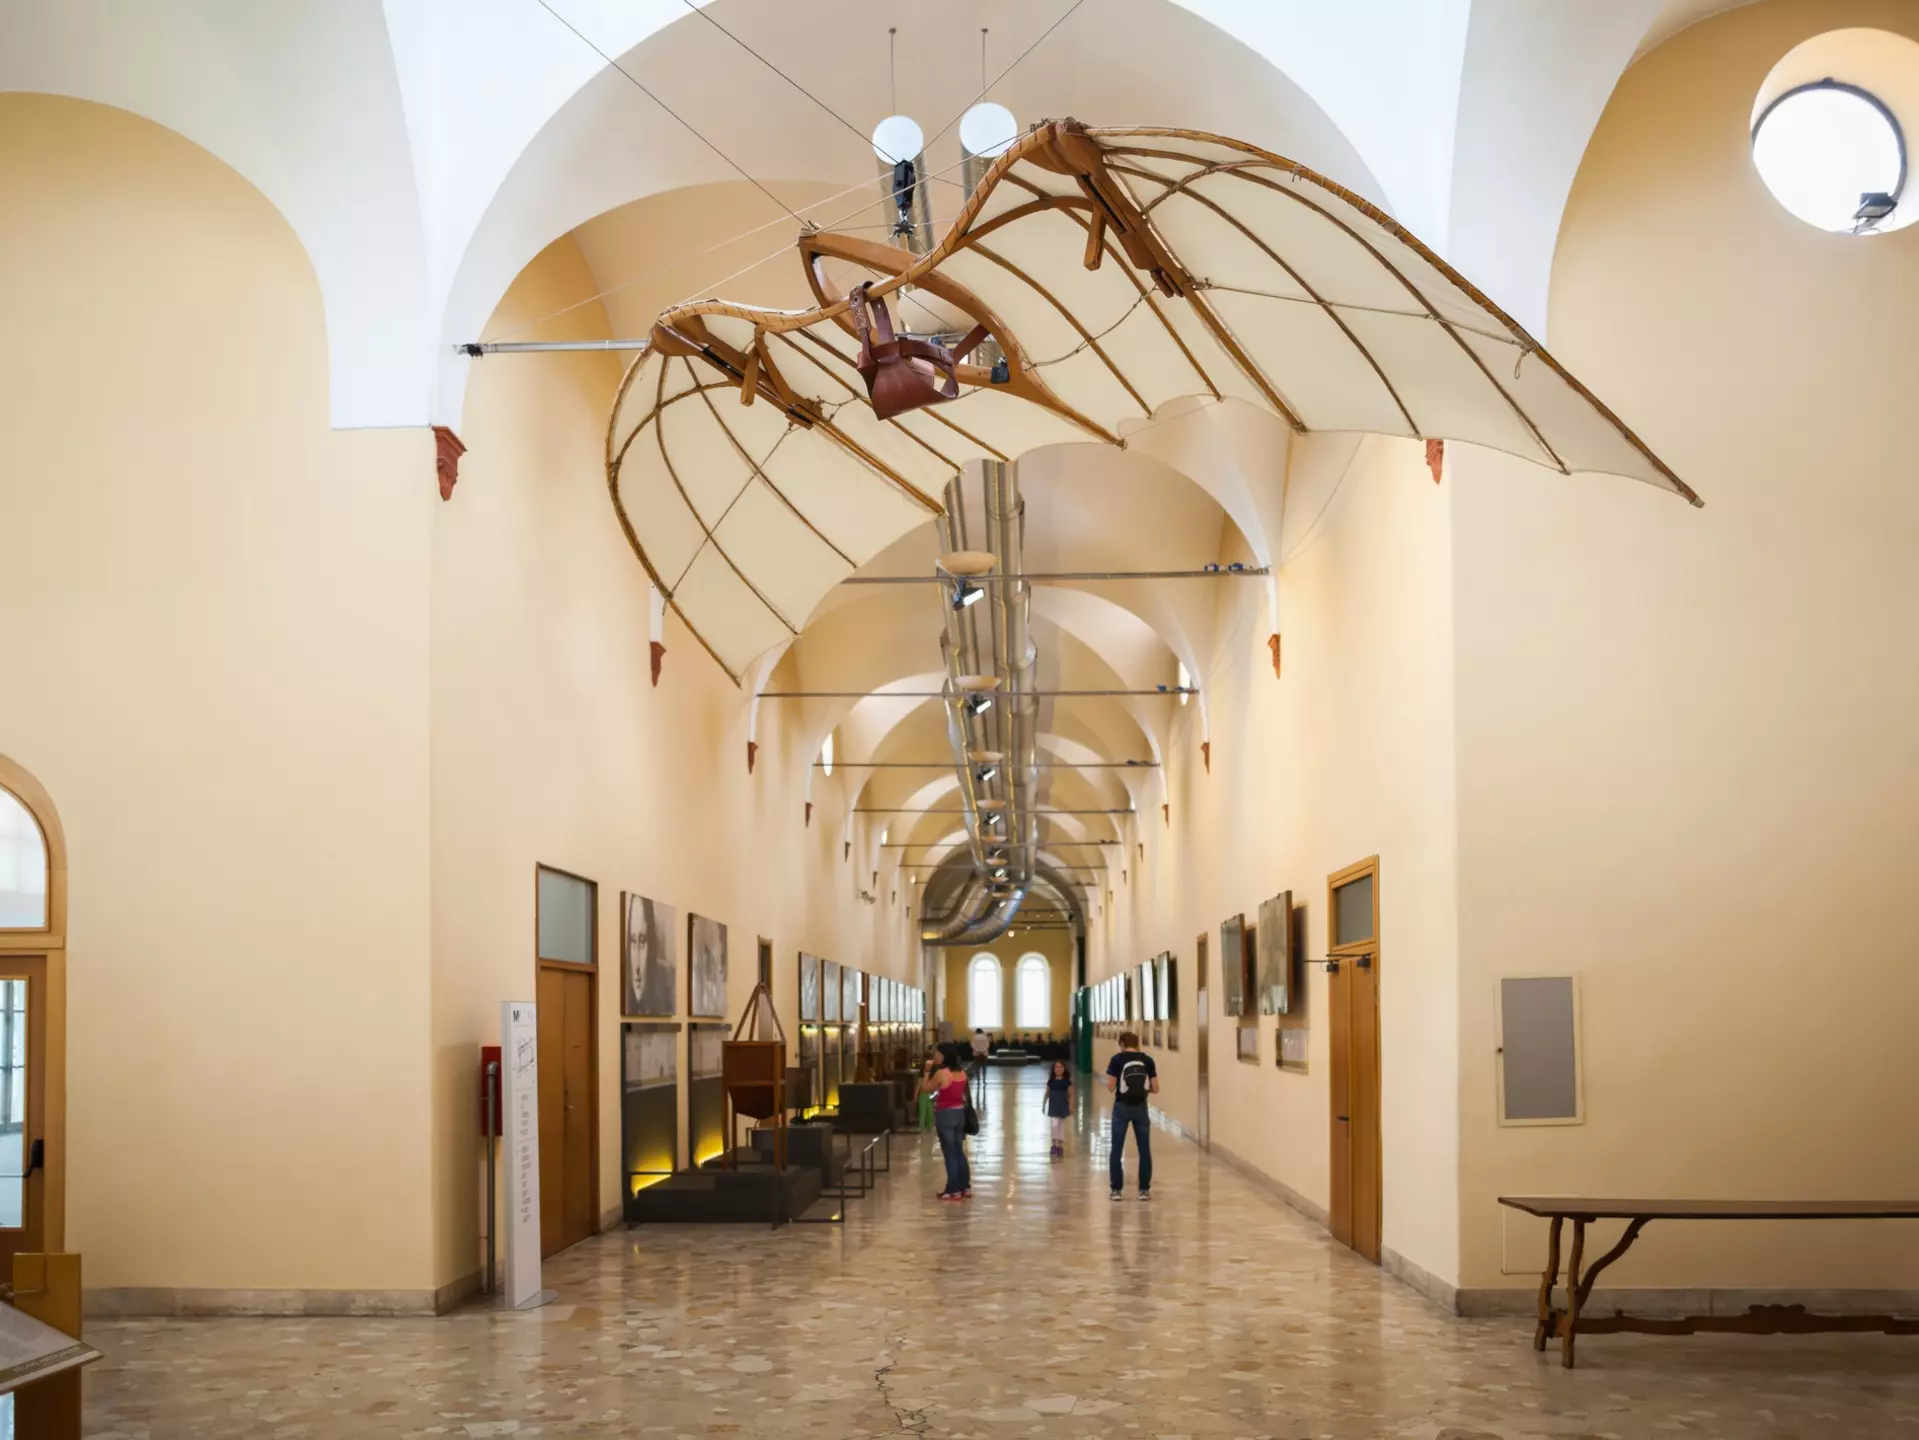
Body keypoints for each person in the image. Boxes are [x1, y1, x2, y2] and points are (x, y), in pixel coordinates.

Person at [1104, 1031, 1158, 1200]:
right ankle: (1143, 1190)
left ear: (1121, 1044)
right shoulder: (1147, 1060)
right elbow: (1156, 1088)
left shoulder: (1117, 1060)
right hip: (1141, 1107)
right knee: (1144, 1149)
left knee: (1117, 1148)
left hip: (1121, 1107)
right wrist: (1142, 1091)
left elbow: (1111, 1087)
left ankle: (1116, 1190)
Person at [920, 1044, 972, 1200]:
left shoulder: (942, 1073)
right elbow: (964, 1094)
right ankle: (965, 1187)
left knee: (949, 1152)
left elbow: (926, 1088)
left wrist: (927, 1071)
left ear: (944, 1056)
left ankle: (952, 1190)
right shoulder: (962, 1073)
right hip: (960, 1114)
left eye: (937, 1054)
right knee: (958, 1151)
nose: (935, 1056)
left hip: (945, 1115)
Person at [1042, 1059, 1073, 1159]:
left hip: (1063, 1105)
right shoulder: (1051, 1082)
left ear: (1064, 1069)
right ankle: (1054, 1143)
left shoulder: (1067, 1082)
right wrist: (1044, 1103)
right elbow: (1047, 1093)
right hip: (1053, 1106)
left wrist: (1071, 1106)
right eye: (1057, 1067)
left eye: (1061, 1067)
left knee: (1061, 1125)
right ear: (1053, 1069)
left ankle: (1059, 1146)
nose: (1059, 1069)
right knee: (1054, 1124)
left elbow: (1071, 1095)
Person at [916, 1046, 939, 1132]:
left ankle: (927, 1126)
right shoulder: (923, 1074)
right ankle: (923, 1127)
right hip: (925, 1094)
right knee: (924, 1111)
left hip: (929, 1093)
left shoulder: (931, 1073)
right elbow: (918, 1086)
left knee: (928, 1111)